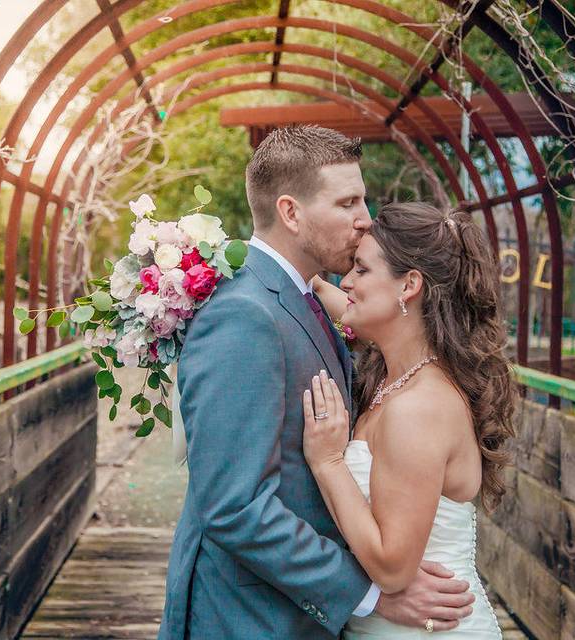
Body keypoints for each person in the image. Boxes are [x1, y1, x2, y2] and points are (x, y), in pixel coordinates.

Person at [159, 126, 476, 640]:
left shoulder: (303, 297)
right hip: (248, 620)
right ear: (290, 212)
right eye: (348, 202)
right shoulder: (244, 313)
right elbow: (233, 506)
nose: (365, 219)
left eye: (364, 199)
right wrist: (369, 594)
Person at [304, 202, 516, 637]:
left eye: (361, 270)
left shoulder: (418, 408)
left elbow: (393, 568)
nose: (347, 282)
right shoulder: (392, 375)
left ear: (409, 286)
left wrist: (328, 463)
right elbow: (344, 302)